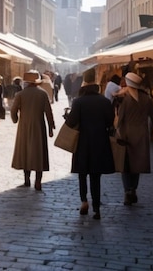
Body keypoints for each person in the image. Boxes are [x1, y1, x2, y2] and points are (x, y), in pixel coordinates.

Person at [63, 71, 115, 219]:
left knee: (82, 173)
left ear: (84, 83)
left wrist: (67, 116)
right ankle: (97, 208)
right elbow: (110, 121)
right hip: (100, 142)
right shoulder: (104, 101)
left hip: (82, 142)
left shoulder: (78, 102)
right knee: (95, 176)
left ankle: (84, 201)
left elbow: (71, 122)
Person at [115, 72, 153, 206]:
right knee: (136, 164)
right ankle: (133, 189)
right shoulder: (146, 98)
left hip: (127, 134)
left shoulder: (125, 99)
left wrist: (117, 132)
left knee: (126, 165)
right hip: (141, 134)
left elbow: (121, 119)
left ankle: (127, 191)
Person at [10, 70, 55, 191]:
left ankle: (27, 179)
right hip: (38, 126)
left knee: (25, 152)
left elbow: (13, 111)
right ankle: (38, 181)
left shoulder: (20, 94)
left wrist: (16, 119)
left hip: (24, 127)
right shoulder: (43, 94)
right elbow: (48, 112)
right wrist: (51, 127)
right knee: (39, 153)